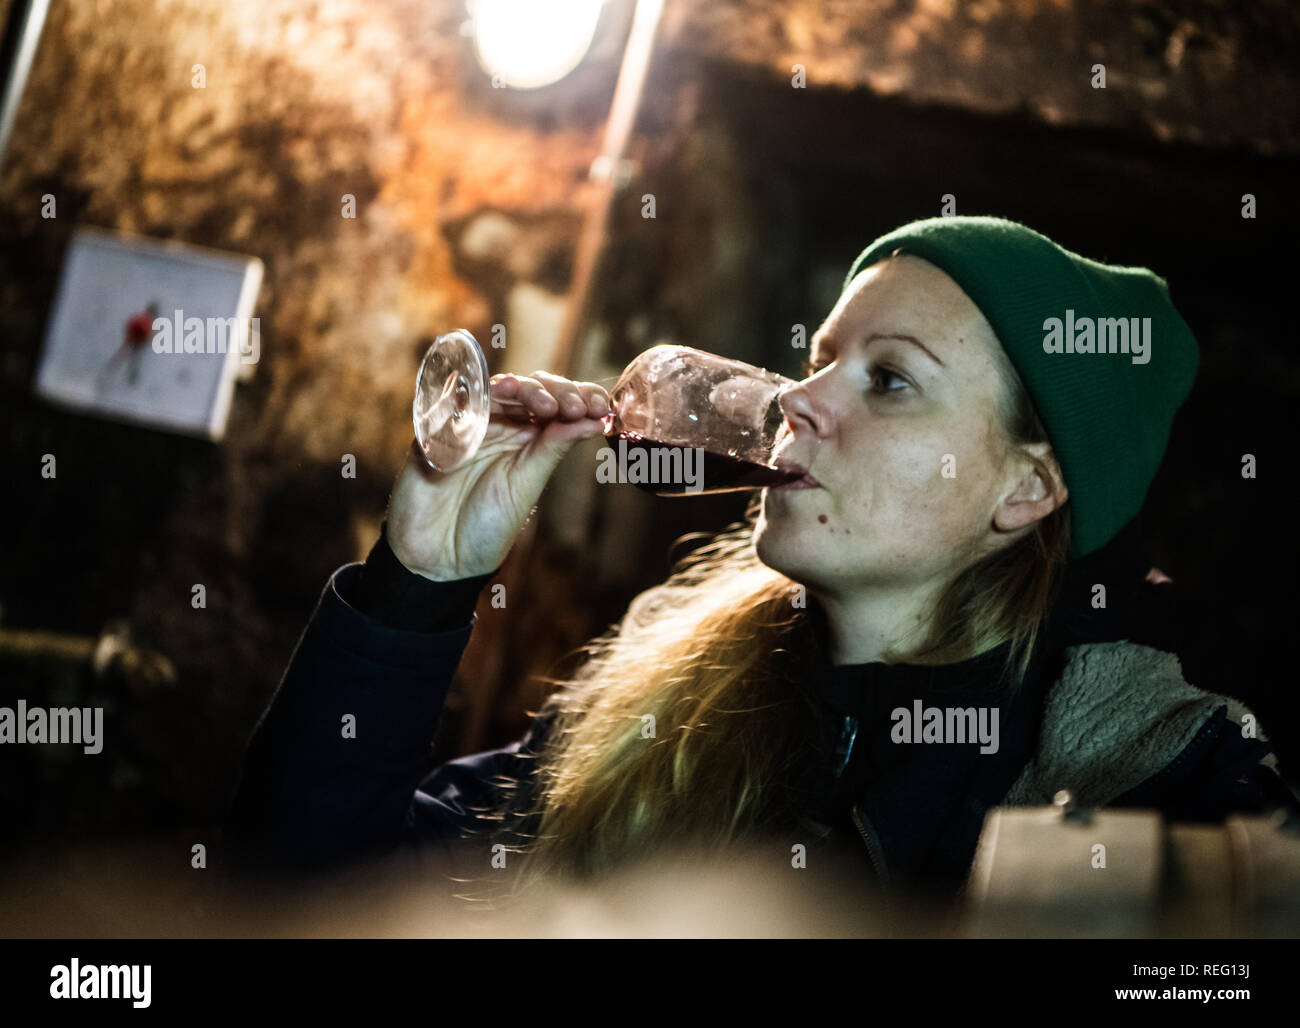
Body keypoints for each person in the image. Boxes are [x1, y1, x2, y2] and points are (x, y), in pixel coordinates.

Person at [223, 216, 1300, 912]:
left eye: (889, 381)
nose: (796, 398)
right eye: (821, 356)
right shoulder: (668, 692)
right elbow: (305, 902)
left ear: (1025, 490)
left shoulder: (1162, 776)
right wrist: (417, 583)